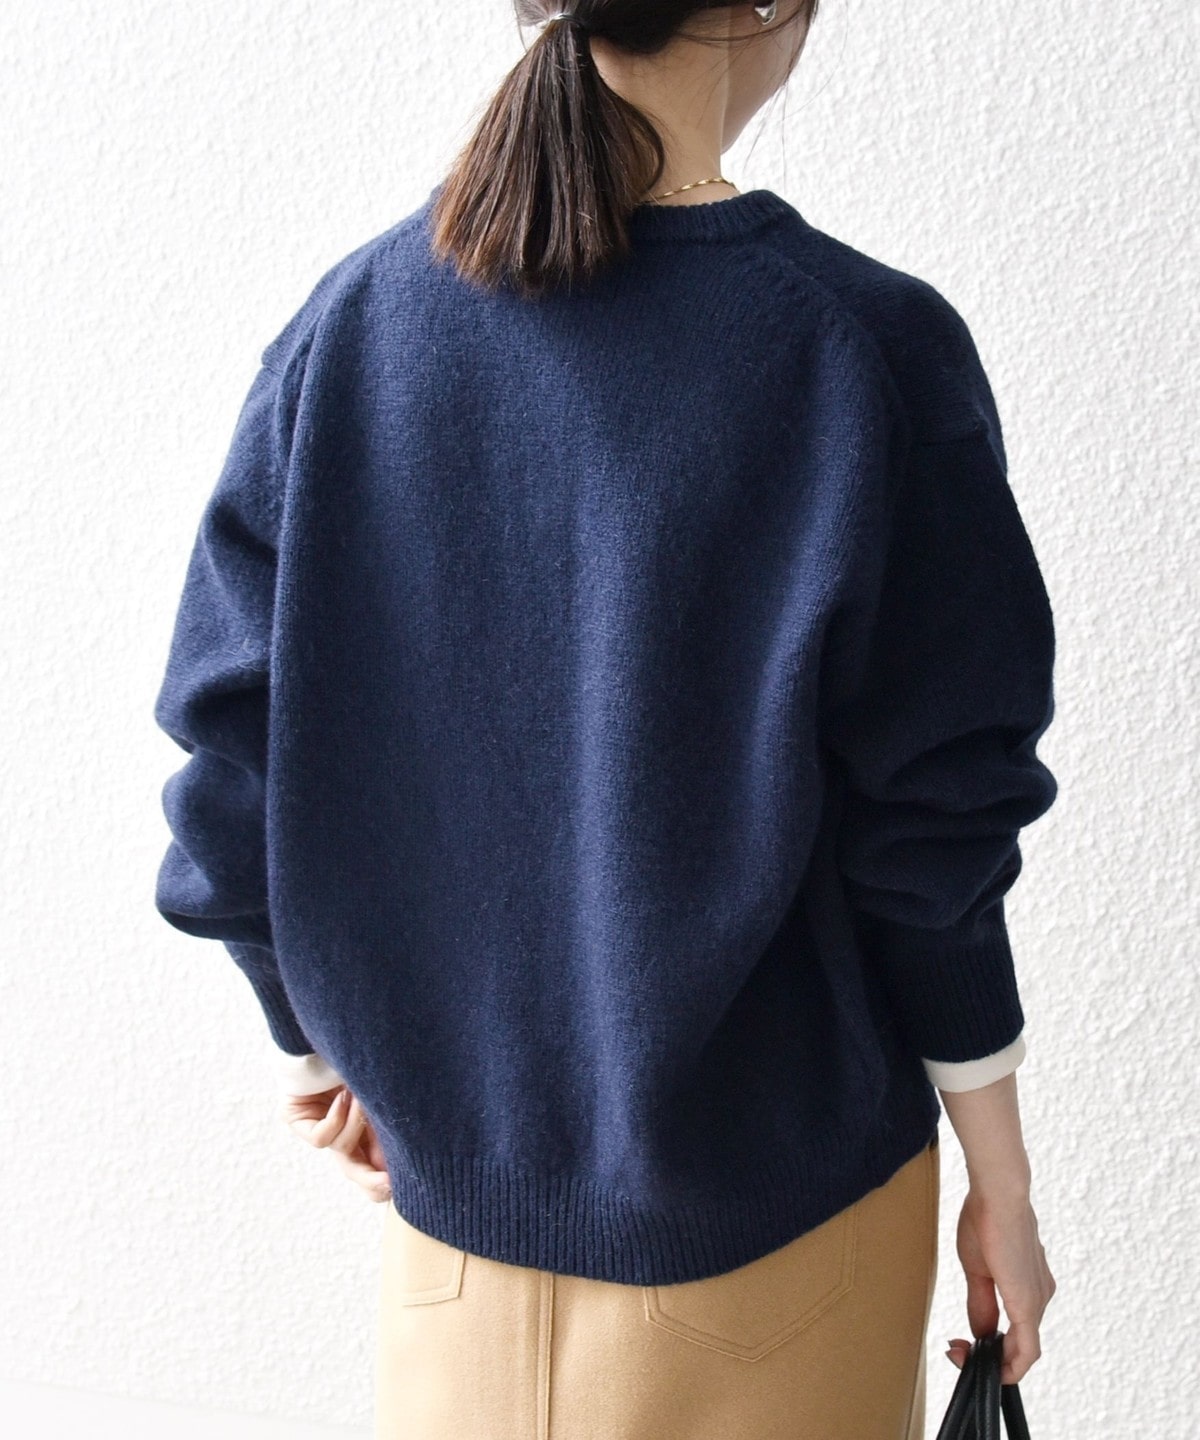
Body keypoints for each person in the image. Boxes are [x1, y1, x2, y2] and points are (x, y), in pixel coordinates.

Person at [151, 2, 1058, 1435]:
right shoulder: (862, 349)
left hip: (450, 1252)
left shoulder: (353, 328)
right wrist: (1001, 1177)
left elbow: (230, 772)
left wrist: (336, 1049)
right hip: (782, 1242)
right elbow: (932, 832)